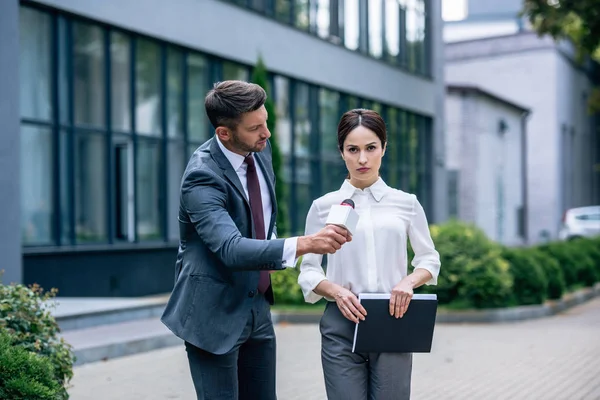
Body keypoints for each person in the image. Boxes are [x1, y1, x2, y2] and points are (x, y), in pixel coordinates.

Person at [160, 80, 352, 400]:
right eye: (255, 128)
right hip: (213, 314)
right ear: (224, 133)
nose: (267, 133)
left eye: (266, 122)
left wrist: (273, 248)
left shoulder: (259, 151)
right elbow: (231, 249)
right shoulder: (201, 178)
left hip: (257, 308)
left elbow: (262, 219)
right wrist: (306, 244)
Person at [298, 108, 441, 400]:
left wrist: (408, 283)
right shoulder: (323, 206)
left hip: (392, 318)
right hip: (340, 321)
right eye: (353, 149)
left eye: (370, 148)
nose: (362, 159)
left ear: (383, 148)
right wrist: (336, 291)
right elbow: (309, 270)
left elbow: (429, 260)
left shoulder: (406, 203)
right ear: (342, 152)